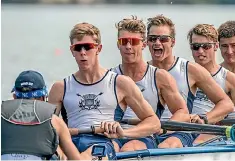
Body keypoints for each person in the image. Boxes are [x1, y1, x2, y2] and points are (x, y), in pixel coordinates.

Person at [48, 22, 161, 159]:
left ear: (98, 49)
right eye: (78, 48)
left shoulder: (119, 83)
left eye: (88, 47)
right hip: (70, 141)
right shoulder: (60, 88)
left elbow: (154, 123)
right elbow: (47, 130)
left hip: (102, 142)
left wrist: (124, 134)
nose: (83, 52)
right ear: (72, 51)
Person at [146, 14, 234, 148]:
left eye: (163, 39)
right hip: (148, 133)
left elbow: (226, 104)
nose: (157, 43)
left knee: (166, 146)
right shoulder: (142, 71)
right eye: (153, 39)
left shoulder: (190, 70)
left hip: (178, 133)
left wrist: (205, 119)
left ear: (173, 42)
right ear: (147, 42)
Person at [110, 16, 190, 152]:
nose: (128, 46)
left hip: (145, 136)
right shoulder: (110, 76)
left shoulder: (160, 77)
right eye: (124, 42)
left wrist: (165, 127)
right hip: (113, 135)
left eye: (134, 42)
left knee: (129, 149)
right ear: (118, 44)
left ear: (144, 44)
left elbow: (182, 111)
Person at [1, 70, 90, 160]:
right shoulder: (54, 121)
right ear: (43, 97)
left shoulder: (2, 114)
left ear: (14, 97)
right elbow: (76, 159)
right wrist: (89, 154)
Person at [188, 23, 235, 119]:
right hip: (184, 129)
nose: (200, 51)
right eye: (196, 46)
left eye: (206, 46)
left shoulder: (231, 79)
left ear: (216, 46)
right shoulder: (183, 74)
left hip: (214, 130)